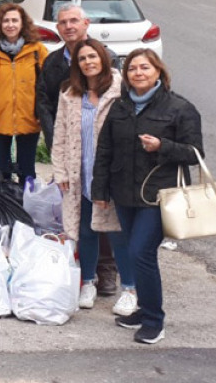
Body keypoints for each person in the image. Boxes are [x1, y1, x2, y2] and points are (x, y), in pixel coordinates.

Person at [92, 48, 203, 345]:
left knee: (142, 252)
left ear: (158, 71)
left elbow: (195, 154)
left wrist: (163, 146)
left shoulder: (180, 107)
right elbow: (105, 150)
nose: (138, 73)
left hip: (158, 196)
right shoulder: (120, 106)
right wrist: (99, 190)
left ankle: (154, 320)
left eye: (144, 67)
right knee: (132, 252)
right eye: (132, 69)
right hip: (124, 192)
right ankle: (143, 310)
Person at [35, 2, 120, 297]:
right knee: (83, 219)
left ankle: (108, 271)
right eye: (62, 23)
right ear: (57, 29)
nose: (68, 26)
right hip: (76, 155)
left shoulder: (108, 59)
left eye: (74, 21)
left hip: (108, 161)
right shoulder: (53, 62)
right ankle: (86, 276)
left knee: (108, 218)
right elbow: (45, 101)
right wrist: (53, 139)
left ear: (86, 24)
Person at [50, 39, 136, 316]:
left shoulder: (121, 90)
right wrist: (61, 170)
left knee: (117, 232)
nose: (88, 62)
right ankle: (88, 282)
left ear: (104, 58)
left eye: (93, 57)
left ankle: (130, 289)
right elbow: (60, 134)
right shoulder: (70, 93)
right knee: (84, 231)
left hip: (113, 175)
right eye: (82, 59)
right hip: (80, 173)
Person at [0, 2, 47, 185]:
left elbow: (48, 84)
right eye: (5, 21)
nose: (10, 24)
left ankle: (26, 207)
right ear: (0, 25)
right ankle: (5, 207)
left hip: (30, 118)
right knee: (1, 171)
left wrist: (43, 113)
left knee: (27, 171)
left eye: (15, 20)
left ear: (23, 24)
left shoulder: (37, 50)